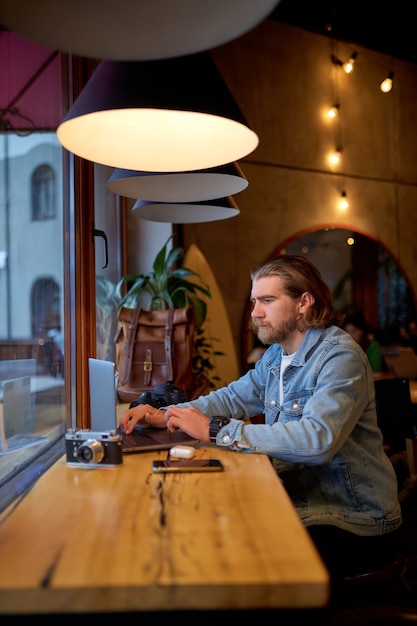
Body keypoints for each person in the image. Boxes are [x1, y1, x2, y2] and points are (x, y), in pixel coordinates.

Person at [119, 254, 402, 582]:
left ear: (303, 303)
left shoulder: (340, 357)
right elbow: (233, 397)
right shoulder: (277, 355)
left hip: (355, 524)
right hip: (302, 504)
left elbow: (317, 440)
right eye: (255, 301)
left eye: (267, 300)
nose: (255, 313)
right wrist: (166, 414)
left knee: (235, 562)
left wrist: (213, 430)